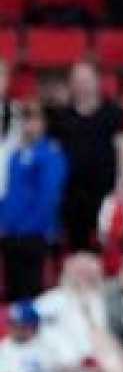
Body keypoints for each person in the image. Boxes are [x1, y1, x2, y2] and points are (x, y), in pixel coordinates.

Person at [45, 60, 123, 254]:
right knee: (78, 247)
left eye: (86, 79)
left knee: (109, 247)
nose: (82, 85)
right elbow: (52, 155)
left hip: (105, 193)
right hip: (72, 194)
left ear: (97, 81)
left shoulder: (113, 113)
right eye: (77, 80)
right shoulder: (61, 116)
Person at [0, 100, 66, 303]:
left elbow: (49, 197)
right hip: (11, 235)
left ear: (44, 123)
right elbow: (10, 194)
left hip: (34, 236)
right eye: (25, 119)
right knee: (14, 291)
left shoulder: (50, 154)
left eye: (33, 119)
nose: (28, 124)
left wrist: (33, 228)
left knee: (33, 291)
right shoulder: (16, 155)